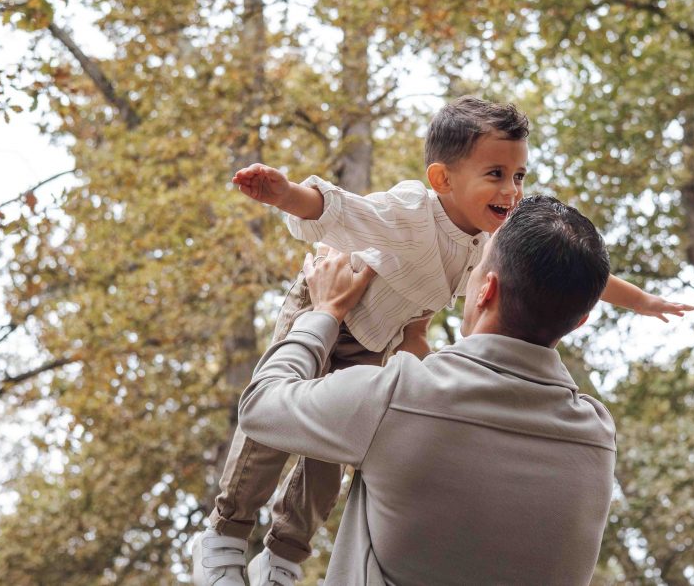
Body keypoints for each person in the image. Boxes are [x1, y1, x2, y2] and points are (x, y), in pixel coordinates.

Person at [192, 97, 692, 586]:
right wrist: (286, 195)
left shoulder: (489, 241)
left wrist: (641, 300)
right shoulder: (411, 214)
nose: (513, 190)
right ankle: (226, 532)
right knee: (269, 435)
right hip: (329, 304)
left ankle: (282, 553)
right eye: (495, 174)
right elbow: (341, 210)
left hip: (375, 342)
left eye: (519, 176)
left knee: (325, 459)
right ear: (442, 179)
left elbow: (570, 270)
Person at [236, 195, 619, 585]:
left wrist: (324, 314)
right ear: (579, 322)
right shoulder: (597, 438)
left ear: (486, 289)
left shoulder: (399, 397)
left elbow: (261, 405)